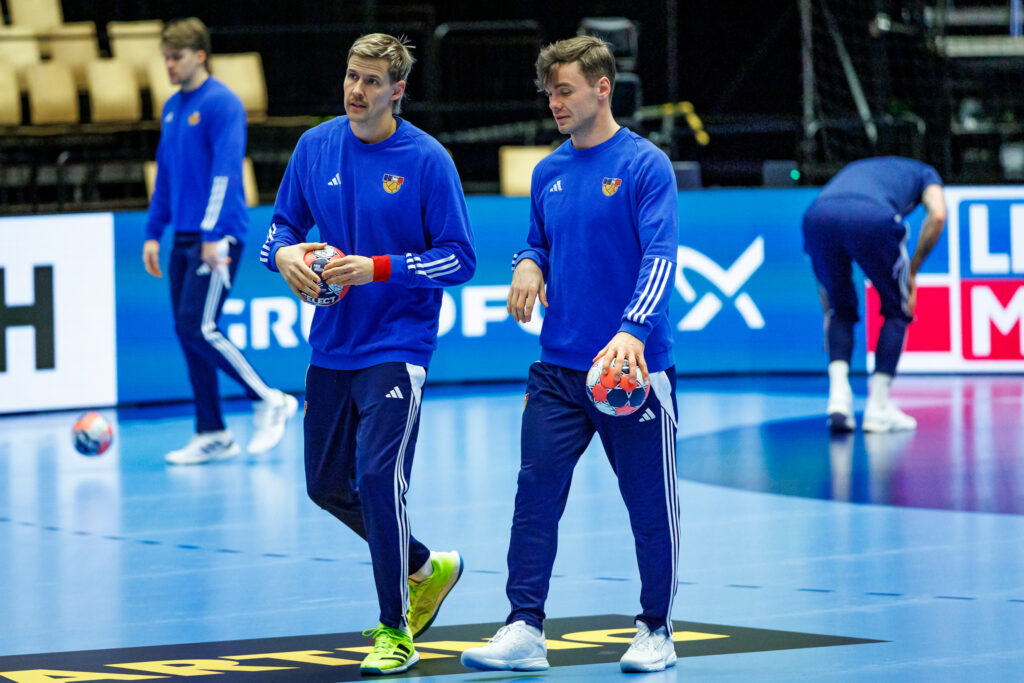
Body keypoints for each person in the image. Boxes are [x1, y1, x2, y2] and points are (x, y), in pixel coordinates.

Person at [460, 36, 680, 674]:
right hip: (557, 370)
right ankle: (524, 629)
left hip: (629, 372)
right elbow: (539, 240)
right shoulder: (548, 171)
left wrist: (634, 330)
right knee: (534, 497)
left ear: (602, 88)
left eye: (565, 90)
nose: (554, 102)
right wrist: (528, 262)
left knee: (649, 505)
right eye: (549, 92)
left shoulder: (645, 166)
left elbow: (661, 256)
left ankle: (656, 630)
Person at [260, 33, 475, 676]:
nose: (357, 90)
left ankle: (395, 630)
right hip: (332, 344)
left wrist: (378, 268)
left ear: (398, 90)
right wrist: (287, 256)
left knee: (379, 478)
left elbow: (459, 259)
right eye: (353, 76)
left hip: (397, 344)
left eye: (373, 81)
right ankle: (425, 566)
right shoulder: (315, 145)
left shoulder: (427, 160)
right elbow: (279, 230)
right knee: (326, 486)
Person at [143, 17, 297, 465]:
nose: (169, 65)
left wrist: (213, 234)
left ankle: (269, 399)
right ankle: (212, 432)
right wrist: (154, 231)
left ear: (200, 55)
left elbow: (226, 173)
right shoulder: (172, 107)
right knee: (187, 331)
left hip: (218, 235)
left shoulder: (223, 103)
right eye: (165, 58)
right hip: (183, 236)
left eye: (176, 57)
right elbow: (166, 176)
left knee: (200, 327)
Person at [802, 156, 946, 433]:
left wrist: (827, 311)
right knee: (897, 309)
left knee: (839, 309)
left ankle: (838, 400)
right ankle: (878, 407)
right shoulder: (926, 173)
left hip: (817, 217)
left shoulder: (855, 168)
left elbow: (824, 284)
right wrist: (913, 270)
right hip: (872, 217)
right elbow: (938, 214)